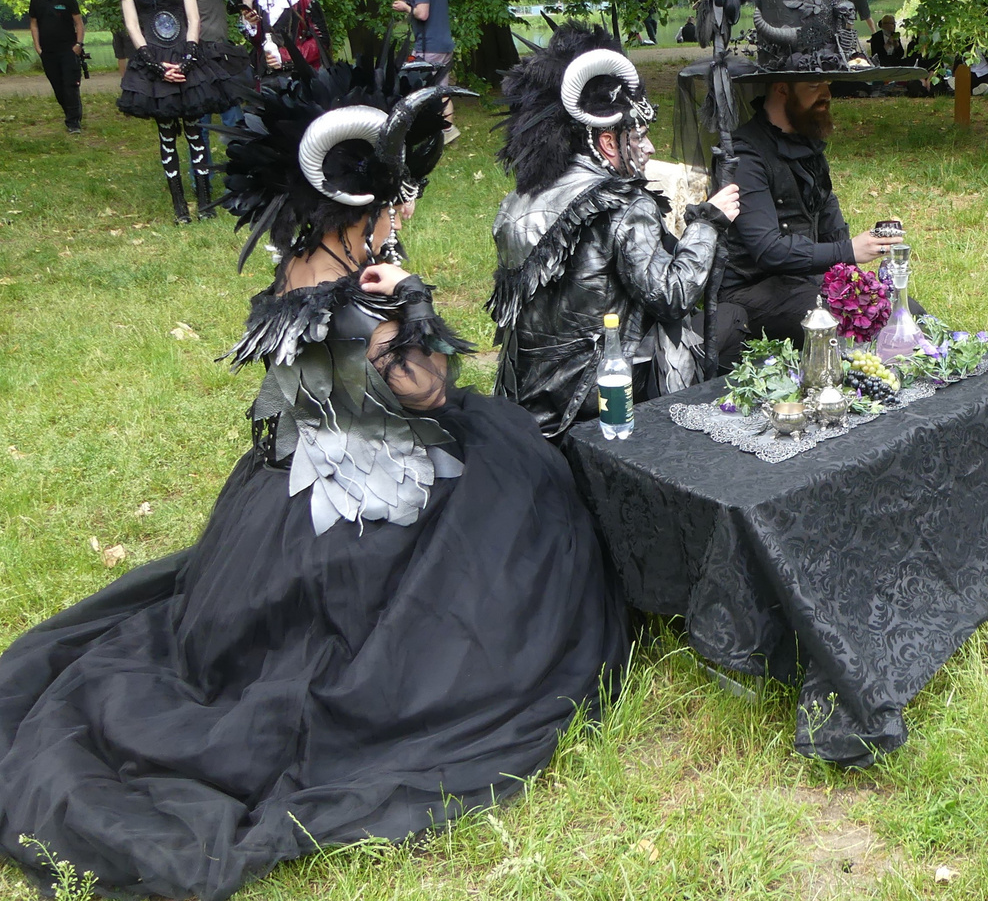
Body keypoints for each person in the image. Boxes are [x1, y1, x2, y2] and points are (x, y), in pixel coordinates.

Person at [0, 59, 628, 901]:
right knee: (528, 503)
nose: (401, 214)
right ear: (351, 208)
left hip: (288, 482)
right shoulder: (366, 301)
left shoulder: (296, 273)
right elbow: (426, 396)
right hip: (376, 495)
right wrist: (409, 304)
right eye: (390, 205)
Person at [488, 23, 742, 437]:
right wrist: (708, 222)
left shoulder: (520, 199)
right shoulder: (624, 204)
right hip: (594, 396)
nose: (650, 148)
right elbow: (673, 296)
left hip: (526, 396)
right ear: (608, 143)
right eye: (639, 136)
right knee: (732, 322)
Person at [719, 79, 903, 344]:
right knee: (839, 325)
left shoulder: (805, 143)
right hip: (750, 290)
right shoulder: (745, 156)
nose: (827, 94)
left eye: (827, 84)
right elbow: (768, 250)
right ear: (782, 88)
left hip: (807, 280)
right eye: (815, 85)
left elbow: (829, 220)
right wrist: (849, 250)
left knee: (899, 313)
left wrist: (856, 273)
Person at [114, 0, 236, 224]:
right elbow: (132, 24)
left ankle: (206, 205)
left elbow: (193, 17)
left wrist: (189, 56)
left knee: (196, 133)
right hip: (152, 57)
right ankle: (180, 209)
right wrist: (155, 65)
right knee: (167, 134)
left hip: (188, 55)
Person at [184, 0, 259, 174]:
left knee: (198, 121)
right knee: (232, 116)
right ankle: (241, 174)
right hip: (216, 54)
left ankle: (200, 178)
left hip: (187, 53)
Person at [392, 0, 458, 141]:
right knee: (440, 90)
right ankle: (448, 131)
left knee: (420, 91)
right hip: (444, 44)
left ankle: (432, 132)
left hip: (429, 45)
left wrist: (405, 8)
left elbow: (422, 14)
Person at [240, 0, 331, 80]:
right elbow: (260, 43)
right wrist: (251, 24)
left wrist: (285, 56)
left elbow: (322, 42)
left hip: (299, 80)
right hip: (267, 79)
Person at [27, 0, 84, 133]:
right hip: (48, 52)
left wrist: (78, 45)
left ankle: (74, 123)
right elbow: (33, 24)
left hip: (68, 50)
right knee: (58, 88)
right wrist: (37, 47)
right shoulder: (36, 1)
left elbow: (79, 23)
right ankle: (70, 114)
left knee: (70, 86)